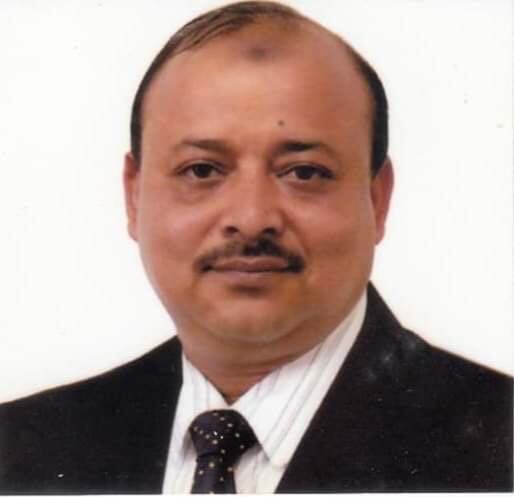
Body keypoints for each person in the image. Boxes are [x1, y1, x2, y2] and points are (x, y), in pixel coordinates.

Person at [0, 1, 511, 493]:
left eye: (304, 172)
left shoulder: (495, 445)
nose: (251, 219)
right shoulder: (21, 449)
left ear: (378, 199)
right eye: (202, 170)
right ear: (134, 196)